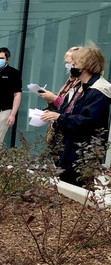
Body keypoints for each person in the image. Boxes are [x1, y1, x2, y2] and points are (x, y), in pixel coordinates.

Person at [41, 44, 111, 186]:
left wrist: (59, 117)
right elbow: (68, 110)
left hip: (82, 154)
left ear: (86, 66)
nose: (71, 66)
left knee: (77, 190)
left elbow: (88, 122)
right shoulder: (80, 86)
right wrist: (54, 114)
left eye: (75, 63)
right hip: (69, 149)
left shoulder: (99, 90)